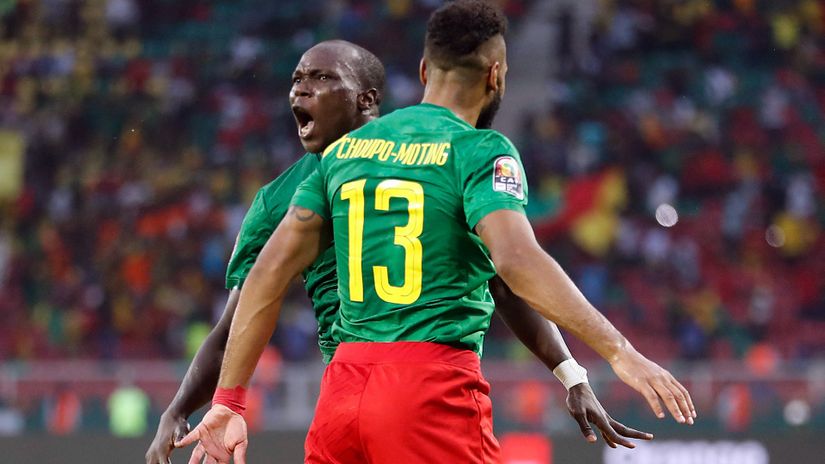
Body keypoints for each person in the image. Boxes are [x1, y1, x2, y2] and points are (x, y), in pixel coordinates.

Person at [179, 1, 696, 462]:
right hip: (428, 388)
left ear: (425, 70)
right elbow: (515, 263)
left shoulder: (343, 152)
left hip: (342, 392)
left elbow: (267, 275)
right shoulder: (479, 150)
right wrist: (619, 351)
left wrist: (229, 400)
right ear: (495, 75)